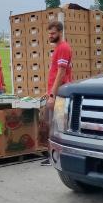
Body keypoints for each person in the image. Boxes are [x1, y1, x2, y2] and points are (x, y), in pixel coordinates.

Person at [42, 21, 73, 166]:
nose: (50, 36)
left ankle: (56, 156)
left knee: (55, 125)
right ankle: (53, 154)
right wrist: (48, 92)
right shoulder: (59, 48)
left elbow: (61, 73)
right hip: (55, 92)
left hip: (59, 93)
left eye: (53, 33)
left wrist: (53, 95)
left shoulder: (63, 48)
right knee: (52, 124)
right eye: (49, 33)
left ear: (60, 32)